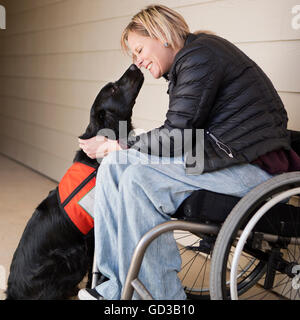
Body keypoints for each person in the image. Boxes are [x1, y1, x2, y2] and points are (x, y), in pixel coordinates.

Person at [78, 5, 300, 300]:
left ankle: (163, 298)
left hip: (253, 171)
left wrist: (120, 143)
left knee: (137, 178)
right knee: (115, 164)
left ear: (161, 35)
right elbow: (184, 136)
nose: (138, 61)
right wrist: (119, 150)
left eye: (140, 49)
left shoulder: (200, 56)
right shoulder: (192, 59)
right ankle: (113, 286)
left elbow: (177, 135)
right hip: (219, 158)